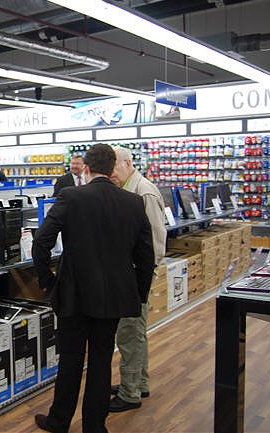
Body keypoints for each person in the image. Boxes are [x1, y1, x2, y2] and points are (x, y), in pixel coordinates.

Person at [31, 143, 154, 433]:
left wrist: (48, 282)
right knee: (101, 361)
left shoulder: (71, 196)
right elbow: (145, 257)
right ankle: (95, 426)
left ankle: (59, 421)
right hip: (112, 298)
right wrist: (138, 294)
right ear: (112, 169)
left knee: (71, 360)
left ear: (86, 168)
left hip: (74, 294)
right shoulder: (133, 202)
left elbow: (41, 242)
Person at [108, 146, 167, 412]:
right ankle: (138, 383)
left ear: (128, 163)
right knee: (136, 332)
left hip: (136, 275)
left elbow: (155, 242)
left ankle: (129, 393)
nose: (111, 172)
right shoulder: (128, 189)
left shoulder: (144, 192)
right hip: (132, 273)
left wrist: (143, 277)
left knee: (129, 333)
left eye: (115, 166)